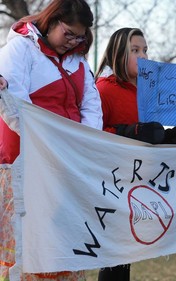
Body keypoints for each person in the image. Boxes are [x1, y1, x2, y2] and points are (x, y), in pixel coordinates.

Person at [0, 0, 102, 280]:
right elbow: (14, 106)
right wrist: (53, 145)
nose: (74, 41)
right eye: (69, 33)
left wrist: (83, 143)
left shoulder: (79, 61)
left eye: (80, 36)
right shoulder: (20, 49)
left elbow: (92, 107)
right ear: (52, 21)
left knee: (65, 247)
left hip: (67, 166)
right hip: (26, 161)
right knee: (29, 248)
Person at [95, 27, 176, 281]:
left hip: (140, 182)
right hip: (111, 182)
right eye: (135, 50)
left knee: (126, 259)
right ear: (118, 53)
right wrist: (133, 131)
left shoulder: (150, 92)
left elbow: (153, 137)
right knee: (114, 260)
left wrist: (174, 138)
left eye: (145, 50)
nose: (143, 56)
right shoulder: (103, 89)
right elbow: (93, 134)